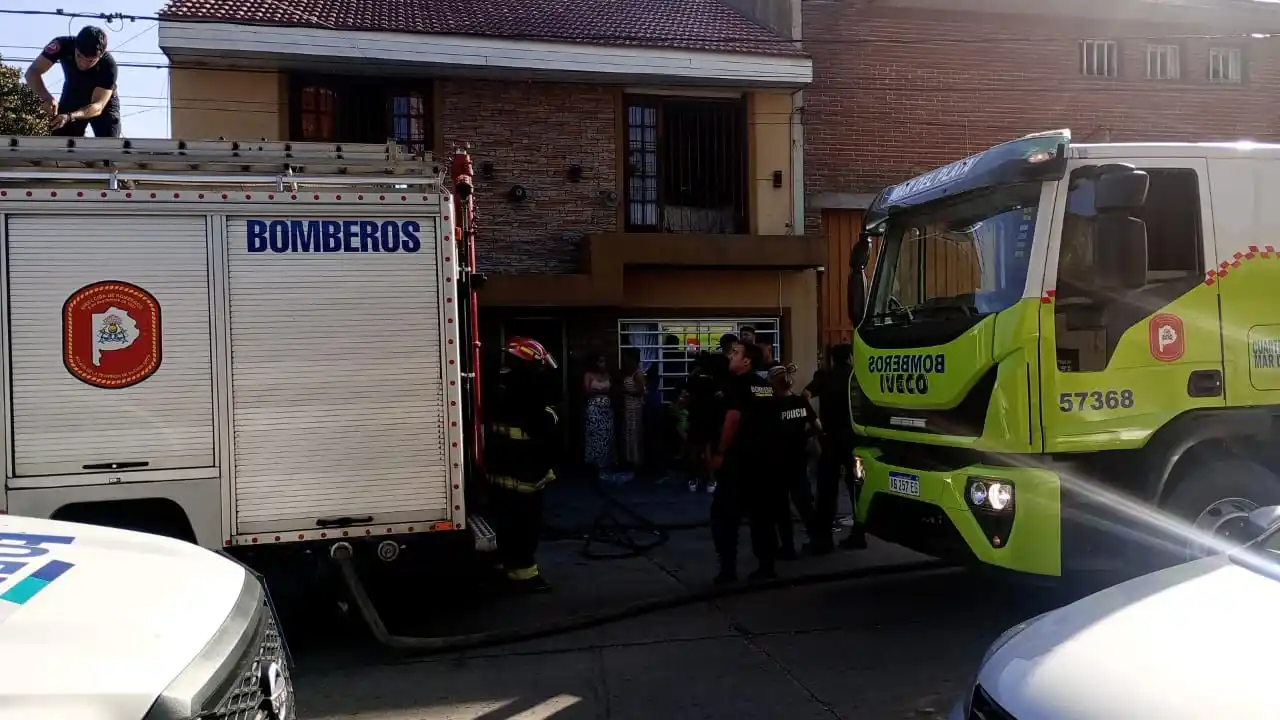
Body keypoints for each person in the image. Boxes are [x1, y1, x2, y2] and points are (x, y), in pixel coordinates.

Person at [485, 336, 562, 592]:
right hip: (525, 471)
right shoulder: (527, 388)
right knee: (525, 527)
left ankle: (507, 567)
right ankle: (524, 576)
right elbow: (542, 425)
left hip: (503, 468)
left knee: (506, 523)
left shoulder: (499, 384)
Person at [708, 341, 776, 583]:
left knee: (724, 515)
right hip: (763, 461)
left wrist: (719, 452)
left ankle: (728, 569)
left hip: (738, 461)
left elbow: (732, 419)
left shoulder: (734, 385)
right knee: (761, 516)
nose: (729, 355)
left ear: (747, 361)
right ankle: (767, 565)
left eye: (735, 353)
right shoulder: (764, 386)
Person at [805, 344, 867, 553]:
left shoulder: (825, 377)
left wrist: (814, 422)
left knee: (826, 490)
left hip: (830, 440)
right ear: (850, 356)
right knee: (856, 488)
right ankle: (859, 534)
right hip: (854, 441)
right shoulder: (857, 377)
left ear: (832, 359)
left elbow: (805, 394)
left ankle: (824, 540)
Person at [25, 26, 121, 138]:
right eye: (79, 56)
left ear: (100, 56)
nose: (83, 64)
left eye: (90, 61)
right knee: (60, 137)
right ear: (75, 47)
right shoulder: (61, 45)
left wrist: (71, 116)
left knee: (109, 143)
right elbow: (32, 73)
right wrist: (46, 98)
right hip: (73, 93)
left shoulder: (109, 65)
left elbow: (98, 106)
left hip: (103, 101)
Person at [766, 363, 820, 560]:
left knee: (781, 507)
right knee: (804, 503)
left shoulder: (770, 406)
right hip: (798, 459)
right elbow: (817, 426)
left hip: (777, 460)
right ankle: (816, 540)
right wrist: (804, 437)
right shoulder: (800, 402)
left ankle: (787, 547)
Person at [582, 353, 616, 478]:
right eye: (600, 361)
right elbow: (586, 391)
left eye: (604, 361)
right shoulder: (588, 375)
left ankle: (605, 463)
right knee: (594, 436)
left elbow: (612, 390)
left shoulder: (608, 375)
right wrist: (601, 391)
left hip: (607, 410)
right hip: (593, 410)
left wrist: (600, 391)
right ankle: (594, 464)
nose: (603, 364)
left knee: (607, 436)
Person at [620, 350, 646, 469]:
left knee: (635, 434)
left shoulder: (638, 374)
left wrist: (626, 392)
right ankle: (630, 458)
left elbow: (641, 391)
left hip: (635, 407)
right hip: (628, 407)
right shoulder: (630, 373)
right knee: (629, 433)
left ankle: (636, 461)